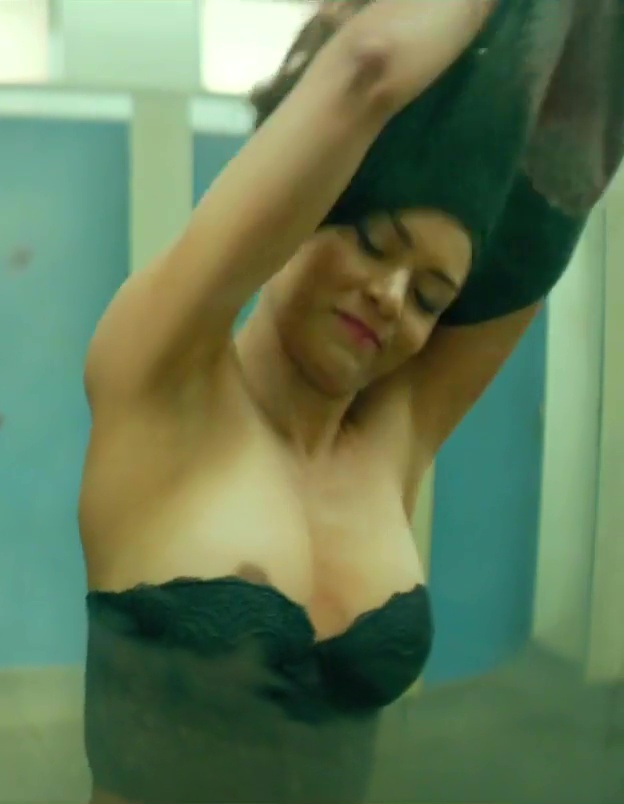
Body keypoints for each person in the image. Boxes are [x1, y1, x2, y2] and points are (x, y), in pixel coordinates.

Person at [76, 1, 518, 802]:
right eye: (374, 244)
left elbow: (561, 192)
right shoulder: (160, 384)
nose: (390, 297)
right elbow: (369, 67)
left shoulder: (393, 441)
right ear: (299, 220)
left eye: (429, 296)